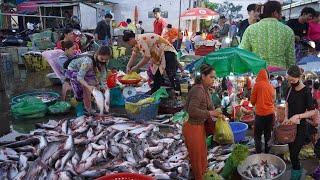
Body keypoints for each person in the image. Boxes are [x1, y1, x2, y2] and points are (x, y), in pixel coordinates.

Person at [183, 64, 222, 180]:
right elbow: (192, 110)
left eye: (214, 77)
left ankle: (204, 176)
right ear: (203, 76)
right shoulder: (198, 90)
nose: (213, 80)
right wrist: (211, 113)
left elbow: (209, 108)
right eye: (211, 77)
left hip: (199, 127)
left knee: (202, 155)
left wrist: (219, 114)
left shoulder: (205, 90)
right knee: (197, 160)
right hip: (192, 128)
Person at [283, 65, 317, 180]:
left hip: (300, 128)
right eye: (289, 80)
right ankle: (296, 170)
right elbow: (287, 105)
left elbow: (313, 111)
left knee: (294, 154)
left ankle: (296, 175)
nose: (291, 82)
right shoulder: (289, 89)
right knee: (292, 153)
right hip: (289, 128)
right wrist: (286, 118)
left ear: (299, 77)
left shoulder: (306, 91)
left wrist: (298, 116)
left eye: (293, 80)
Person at [240, 1, 295, 68]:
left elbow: (243, 52)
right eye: (280, 12)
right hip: (280, 73)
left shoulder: (251, 29)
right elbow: (290, 58)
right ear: (275, 13)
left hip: (257, 72)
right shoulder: (288, 30)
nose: (281, 14)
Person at [64, 46, 111, 116]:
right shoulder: (88, 62)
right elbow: (80, 77)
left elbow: (103, 76)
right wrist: (88, 86)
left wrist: (105, 86)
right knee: (83, 89)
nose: (104, 61)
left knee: (96, 84)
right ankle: (85, 108)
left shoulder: (103, 61)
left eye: (106, 59)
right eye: (102, 59)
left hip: (85, 70)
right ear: (97, 54)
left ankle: (97, 104)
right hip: (74, 70)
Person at [250, 69, 275, 153]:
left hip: (260, 114)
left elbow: (252, 101)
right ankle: (267, 152)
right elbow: (273, 99)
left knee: (257, 136)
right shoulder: (270, 86)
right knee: (268, 134)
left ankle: (259, 153)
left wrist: (256, 103)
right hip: (270, 114)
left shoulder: (257, 85)